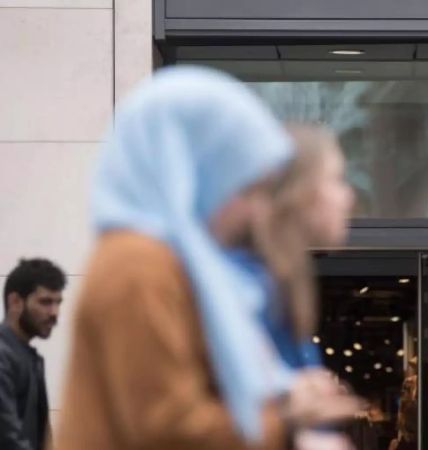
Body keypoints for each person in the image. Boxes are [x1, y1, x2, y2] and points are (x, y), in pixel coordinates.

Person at [54, 66, 359, 450]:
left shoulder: (163, 263)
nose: (255, 210)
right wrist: (286, 420)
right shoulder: (139, 266)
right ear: (199, 175)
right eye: (246, 188)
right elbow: (165, 429)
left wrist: (283, 400)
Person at [0, 258, 65, 450]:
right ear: (15, 302)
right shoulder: (3, 358)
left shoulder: (30, 358)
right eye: (45, 302)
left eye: (58, 302)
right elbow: (8, 439)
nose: (54, 312)